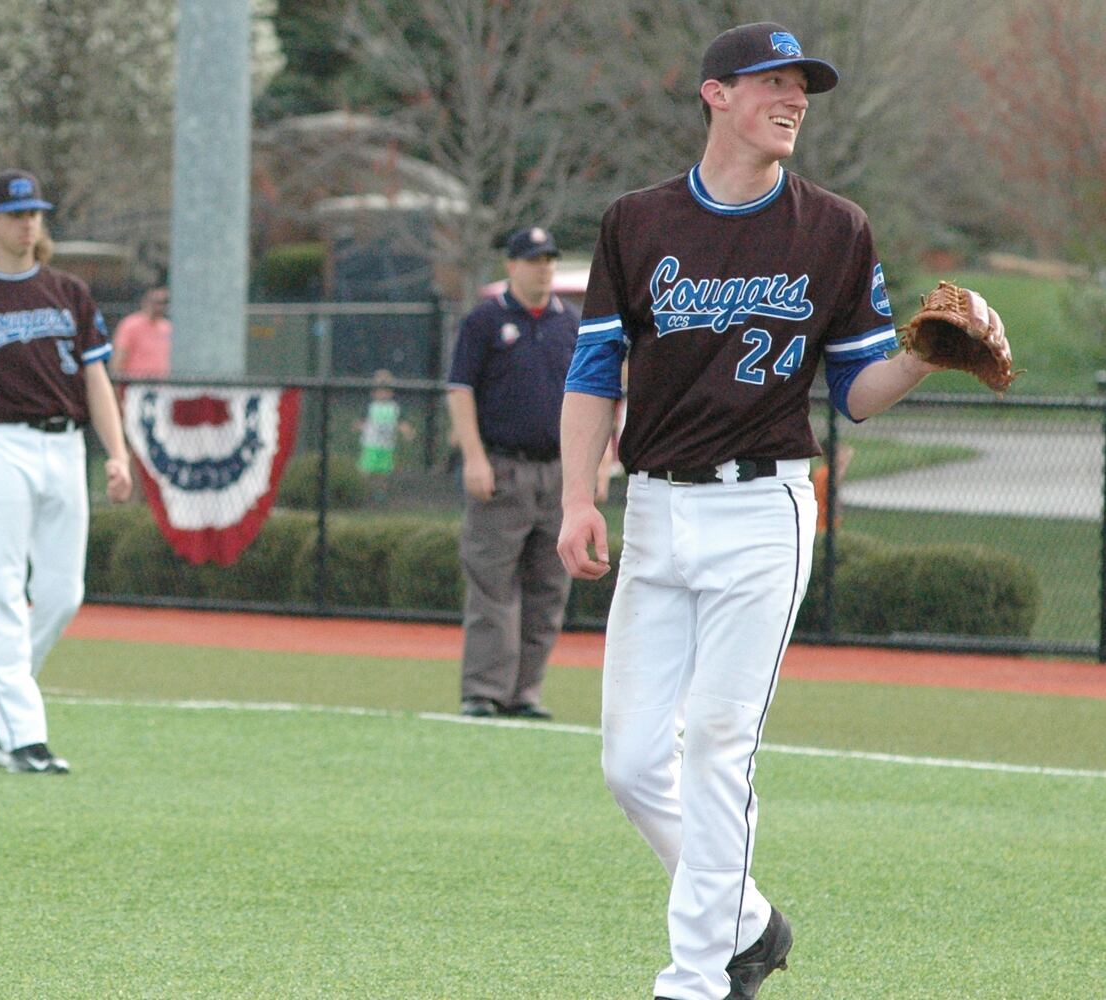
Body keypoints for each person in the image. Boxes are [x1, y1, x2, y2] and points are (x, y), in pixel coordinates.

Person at [556, 23, 984, 999]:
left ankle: (695, 979)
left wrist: (923, 354)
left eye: (802, 88)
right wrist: (578, 496)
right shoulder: (636, 222)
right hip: (657, 509)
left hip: (763, 512)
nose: (792, 99)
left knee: (714, 742)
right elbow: (591, 370)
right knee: (628, 762)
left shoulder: (834, 227)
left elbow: (856, 393)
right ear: (714, 94)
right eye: (773, 83)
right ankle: (748, 923)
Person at [0, 168, 133, 775]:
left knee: (63, 595)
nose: (27, 221)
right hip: (0, 448)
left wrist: (116, 453)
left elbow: (95, 378)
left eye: (34, 212)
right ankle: (22, 737)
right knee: (3, 593)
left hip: (66, 449)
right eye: (14, 213)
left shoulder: (69, 292)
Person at [446, 226, 589, 720]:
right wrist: (474, 456)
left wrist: (594, 467)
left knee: (549, 588)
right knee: (493, 582)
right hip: (503, 467)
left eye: (549, 259)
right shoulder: (485, 321)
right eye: (533, 260)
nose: (543, 268)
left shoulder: (570, 324)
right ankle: (484, 690)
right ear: (511, 265)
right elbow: (460, 388)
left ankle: (525, 693)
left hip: (558, 472)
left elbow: (595, 399)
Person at [355, 369, 415, 478]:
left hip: (387, 447)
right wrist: (359, 427)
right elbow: (360, 422)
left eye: (386, 391)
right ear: (373, 392)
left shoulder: (394, 407)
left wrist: (407, 432)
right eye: (379, 390)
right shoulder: (370, 407)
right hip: (370, 446)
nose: (383, 394)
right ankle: (363, 490)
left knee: (383, 472)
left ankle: (381, 492)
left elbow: (401, 423)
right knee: (366, 469)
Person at [110, 285, 172, 378]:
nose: (160, 307)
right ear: (145, 302)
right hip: (136, 382)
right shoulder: (130, 324)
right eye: (157, 302)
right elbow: (119, 356)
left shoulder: (167, 327)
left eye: (164, 303)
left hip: (161, 383)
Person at [813, 436, 855, 533]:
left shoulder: (822, 471)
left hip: (825, 522)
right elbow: (848, 453)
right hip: (824, 524)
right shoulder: (827, 473)